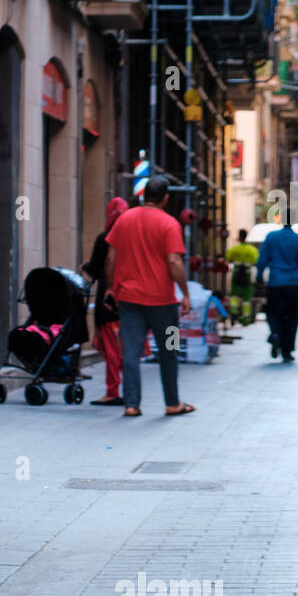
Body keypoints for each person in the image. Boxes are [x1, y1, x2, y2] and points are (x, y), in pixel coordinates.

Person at [104, 175, 195, 417]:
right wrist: (184, 293)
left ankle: (132, 405)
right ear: (166, 198)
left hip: (129, 299)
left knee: (131, 351)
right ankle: (173, 403)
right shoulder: (169, 224)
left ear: (143, 195)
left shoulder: (124, 219)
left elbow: (111, 257)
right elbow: (174, 261)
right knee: (170, 349)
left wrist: (111, 287)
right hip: (163, 302)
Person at [81, 197, 130, 405]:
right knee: (126, 345)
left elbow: (94, 268)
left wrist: (86, 268)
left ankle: (113, 390)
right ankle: (129, 391)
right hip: (130, 298)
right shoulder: (132, 237)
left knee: (109, 345)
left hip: (108, 300)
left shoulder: (105, 238)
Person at [256, 221, 298, 362]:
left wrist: (259, 277)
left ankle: (275, 333)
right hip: (293, 284)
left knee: (273, 313)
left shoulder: (271, 237)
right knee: (292, 318)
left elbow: (262, 259)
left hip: (275, 283)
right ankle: (287, 350)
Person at [226, 229, 259, 326]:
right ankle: (245, 318)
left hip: (236, 276)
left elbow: (228, 258)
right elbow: (256, 260)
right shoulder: (252, 250)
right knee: (247, 299)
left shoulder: (234, 249)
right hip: (247, 277)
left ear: (239, 236)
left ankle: (234, 312)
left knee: (234, 296)